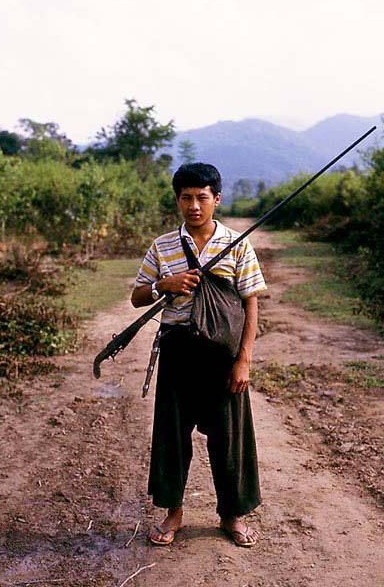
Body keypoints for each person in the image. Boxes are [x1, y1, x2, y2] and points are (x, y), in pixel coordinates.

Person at [131, 162, 267, 548]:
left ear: (216, 199)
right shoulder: (163, 247)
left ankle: (232, 516)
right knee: (172, 438)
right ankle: (173, 514)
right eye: (186, 198)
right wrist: (163, 284)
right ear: (177, 201)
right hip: (178, 352)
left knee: (229, 439)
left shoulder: (238, 245)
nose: (194, 205)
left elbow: (250, 305)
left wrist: (244, 359)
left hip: (223, 356)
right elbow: (136, 296)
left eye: (201, 197)